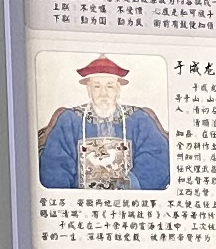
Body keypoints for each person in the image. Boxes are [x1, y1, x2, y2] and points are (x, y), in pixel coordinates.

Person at [38, 55, 170, 191]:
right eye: (97, 86)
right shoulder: (69, 120)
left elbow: (157, 159)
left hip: (129, 199)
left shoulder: (139, 119)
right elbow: (55, 166)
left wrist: (128, 185)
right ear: (89, 90)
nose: (103, 93)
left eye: (110, 86)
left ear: (118, 89)